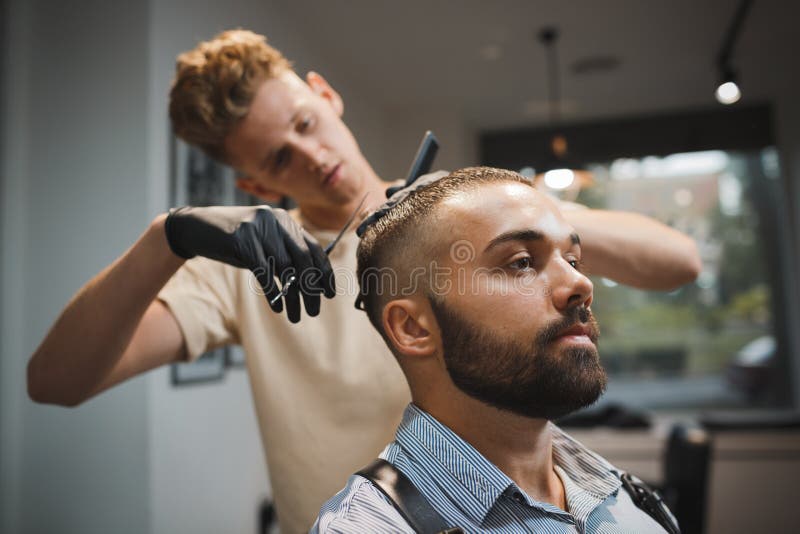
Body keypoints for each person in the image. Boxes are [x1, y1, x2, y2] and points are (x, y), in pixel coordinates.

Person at [26, 30, 699, 533]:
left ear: (324, 94)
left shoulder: (458, 217)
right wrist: (168, 237)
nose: (314, 158)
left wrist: (491, 224)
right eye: (279, 158)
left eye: (306, 124)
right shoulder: (244, 273)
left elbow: (677, 262)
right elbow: (55, 383)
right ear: (255, 184)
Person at [313, 167, 677, 532]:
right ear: (413, 327)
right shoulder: (367, 527)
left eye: (572, 260)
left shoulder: (628, 500)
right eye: (521, 262)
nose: (580, 283)